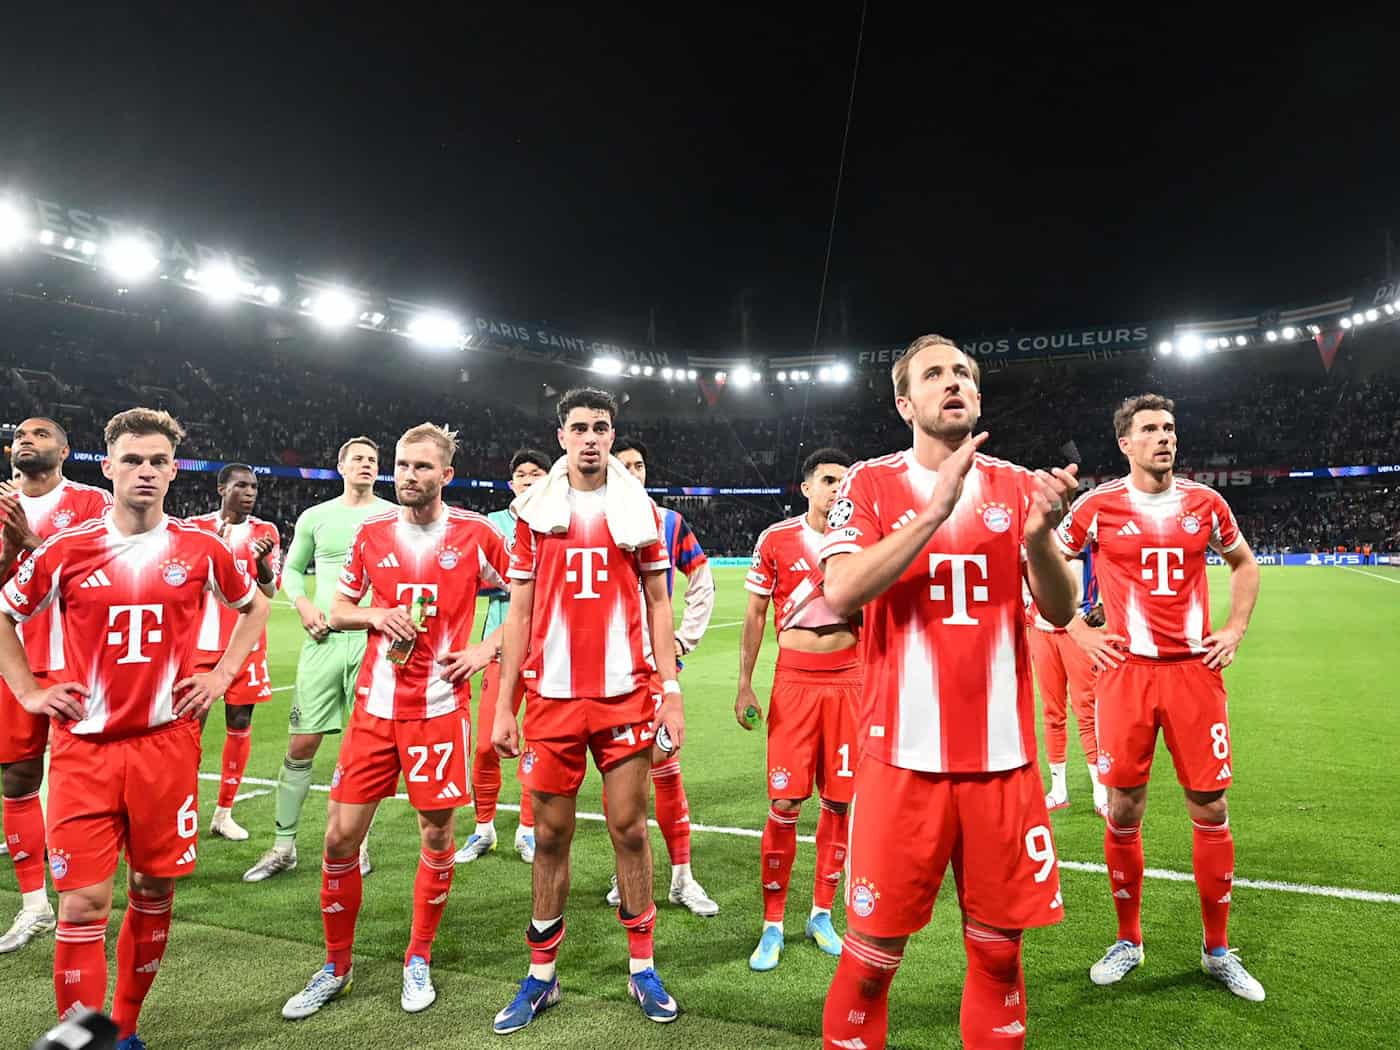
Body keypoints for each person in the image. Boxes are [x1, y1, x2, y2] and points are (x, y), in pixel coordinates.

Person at [818, 335, 1079, 1050]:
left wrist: (1040, 540)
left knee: (999, 956)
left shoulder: (1020, 485)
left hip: (1004, 763)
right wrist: (934, 511)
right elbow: (840, 589)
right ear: (906, 402)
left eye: (963, 372)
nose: (953, 381)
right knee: (871, 963)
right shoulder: (868, 485)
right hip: (902, 760)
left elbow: (1060, 610)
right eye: (934, 374)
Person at [0, 407, 269, 1049]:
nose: (144, 471)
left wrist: (223, 675)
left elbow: (254, 605)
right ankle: (79, 1038)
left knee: (151, 890)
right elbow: (4, 614)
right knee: (83, 906)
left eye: (156, 461)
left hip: (166, 748)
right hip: (84, 751)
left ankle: (124, 1029)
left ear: (173, 471)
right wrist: (28, 691)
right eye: (132, 460)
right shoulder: (66, 551)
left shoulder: (201, 550)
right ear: (107, 467)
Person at [281, 423, 509, 1019]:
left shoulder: (477, 534)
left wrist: (486, 652)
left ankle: (418, 956)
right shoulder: (369, 535)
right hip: (374, 711)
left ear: (446, 475)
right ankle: (336, 966)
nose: (408, 476)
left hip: (438, 712)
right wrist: (377, 615)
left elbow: (530, 602)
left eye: (422, 468)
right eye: (403, 466)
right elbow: (338, 610)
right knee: (337, 839)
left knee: (435, 836)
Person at [1057, 393, 1265, 1001]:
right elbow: (1047, 558)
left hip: (1195, 674)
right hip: (1126, 673)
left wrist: (1233, 629)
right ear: (1125, 442)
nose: (1164, 438)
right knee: (1123, 810)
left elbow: (1244, 564)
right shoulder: (1097, 506)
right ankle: (1128, 940)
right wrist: (1075, 626)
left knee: (1211, 808)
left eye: (1169, 428)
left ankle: (1218, 950)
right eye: (1149, 429)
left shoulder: (1207, 503)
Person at [490, 388, 684, 1033]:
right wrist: (504, 705)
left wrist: (671, 691)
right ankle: (542, 978)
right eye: (579, 428)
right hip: (550, 699)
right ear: (562, 436)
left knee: (629, 828)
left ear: (612, 433)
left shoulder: (639, 509)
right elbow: (518, 613)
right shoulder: (534, 513)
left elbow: (659, 604)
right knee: (549, 836)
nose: (591, 438)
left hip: (625, 694)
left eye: (601, 427)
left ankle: (642, 967)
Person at [243, 437, 394, 883]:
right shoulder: (316, 516)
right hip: (324, 640)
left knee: (364, 751)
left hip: (371, 642)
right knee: (301, 744)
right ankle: (283, 846)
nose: (366, 465)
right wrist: (306, 607)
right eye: (359, 459)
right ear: (341, 466)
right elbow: (291, 568)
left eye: (373, 460)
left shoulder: (391, 515)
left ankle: (357, 843)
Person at [736, 447, 859, 970]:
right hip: (794, 683)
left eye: (844, 482)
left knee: (839, 804)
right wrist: (744, 684)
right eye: (828, 480)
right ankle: (772, 924)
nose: (837, 489)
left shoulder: (862, 540)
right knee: (785, 805)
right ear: (807, 487)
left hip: (851, 681)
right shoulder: (777, 538)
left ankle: (822, 914)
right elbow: (756, 613)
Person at [0, 417, 111, 954]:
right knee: (18, 779)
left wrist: (31, 540)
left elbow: (107, 568)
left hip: (79, 661)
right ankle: (34, 907)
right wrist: (7, 550)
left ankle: (89, 898)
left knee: (88, 785)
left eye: (41, 434)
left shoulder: (91, 503)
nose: (28, 440)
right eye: (21, 435)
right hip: (17, 661)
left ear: (65, 451)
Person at [608, 436, 718, 916]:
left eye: (638, 465)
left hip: (653, 673)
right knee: (620, 781)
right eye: (624, 465)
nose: (632, 472)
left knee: (666, 772)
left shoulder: (668, 522)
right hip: (607, 672)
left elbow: (702, 577)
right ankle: (626, 871)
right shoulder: (594, 521)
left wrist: (683, 639)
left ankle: (681, 878)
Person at [454, 448, 550, 866]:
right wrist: (515, 585)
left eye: (536, 474)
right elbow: (470, 579)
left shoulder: (559, 520)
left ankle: (527, 830)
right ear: (512, 483)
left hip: (549, 652)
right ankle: (484, 828)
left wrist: (517, 584)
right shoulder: (492, 525)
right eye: (521, 474)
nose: (528, 480)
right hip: (500, 649)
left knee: (538, 745)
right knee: (486, 745)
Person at [188, 464, 282, 842]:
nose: (250, 492)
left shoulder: (265, 532)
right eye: (241, 485)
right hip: (199, 645)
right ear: (221, 487)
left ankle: (223, 814)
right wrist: (215, 548)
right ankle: (184, 807)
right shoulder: (193, 528)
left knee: (240, 726)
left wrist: (261, 565)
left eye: (254, 486)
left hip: (248, 645)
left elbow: (271, 592)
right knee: (188, 730)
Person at [1026, 550, 1109, 816]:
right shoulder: (1034, 528)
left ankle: (1101, 791)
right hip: (1042, 628)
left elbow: (1113, 564)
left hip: (1080, 626)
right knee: (1052, 712)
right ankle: (1058, 789)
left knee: (1087, 710)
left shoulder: (1088, 526)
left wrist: (1104, 604)